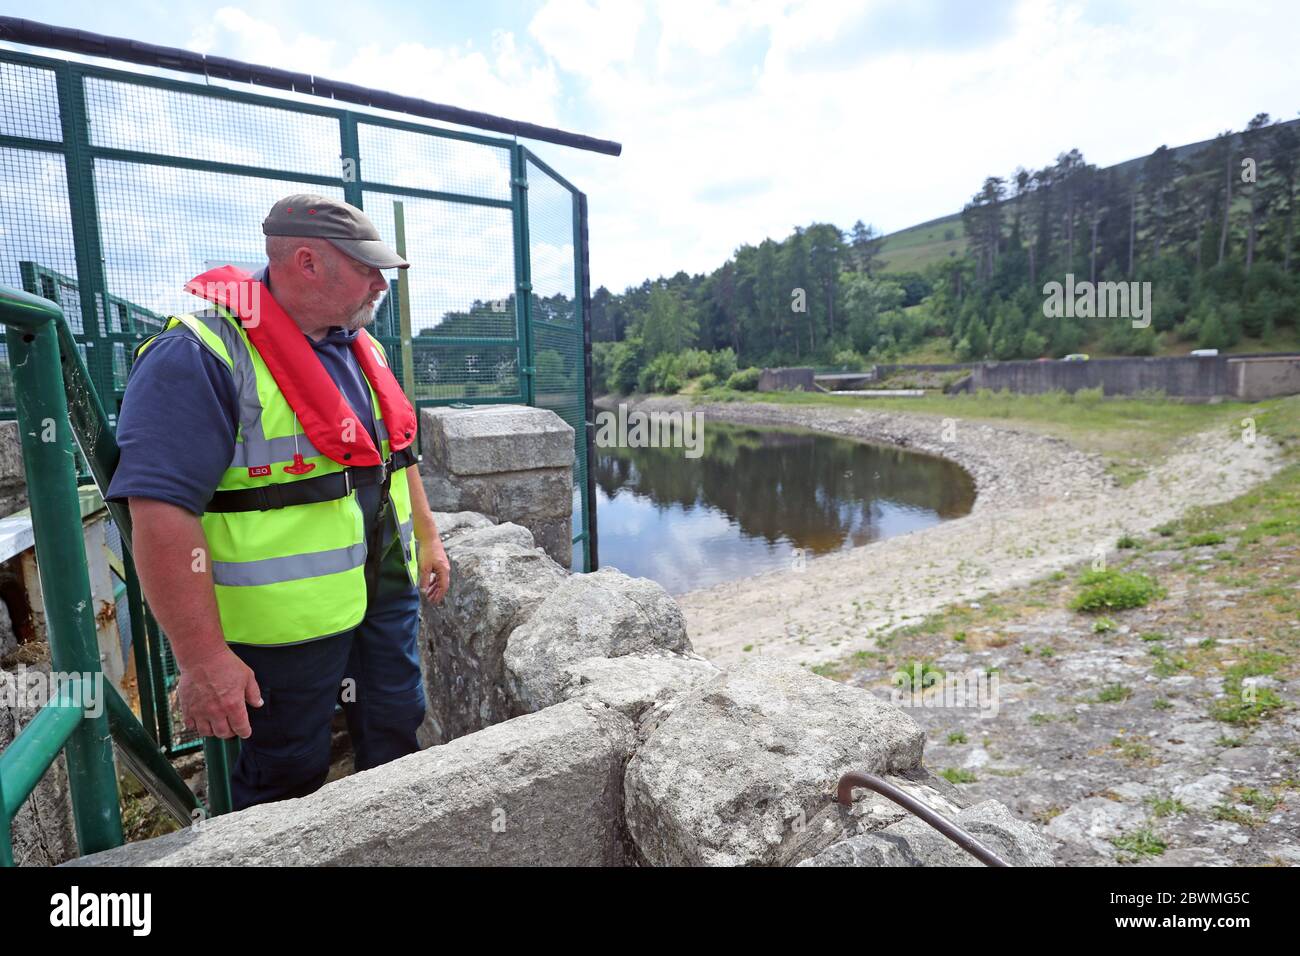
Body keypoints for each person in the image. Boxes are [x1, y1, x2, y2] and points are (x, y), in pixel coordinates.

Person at [106, 193, 451, 811]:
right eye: (367, 267)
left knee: (397, 730)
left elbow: (395, 456)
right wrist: (204, 658)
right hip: (281, 630)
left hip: (382, 593)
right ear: (307, 262)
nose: (381, 282)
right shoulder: (200, 354)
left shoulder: (359, 346)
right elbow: (158, 513)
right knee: (286, 774)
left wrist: (427, 535)